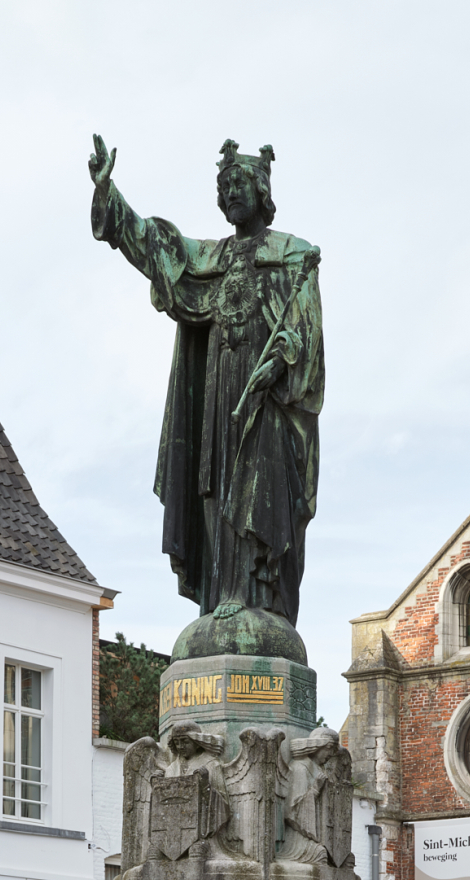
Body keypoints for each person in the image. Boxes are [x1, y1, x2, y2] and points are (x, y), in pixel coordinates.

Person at [89, 135, 323, 640]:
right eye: (224, 187)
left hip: (267, 402)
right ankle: (220, 593)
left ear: (261, 191)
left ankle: (258, 597)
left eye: (239, 183)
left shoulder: (292, 258)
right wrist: (111, 195)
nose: (231, 193)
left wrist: (282, 357)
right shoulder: (210, 260)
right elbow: (160, 249)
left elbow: (305, 336)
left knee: (258, 490)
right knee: (214, 484)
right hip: (220, 399)